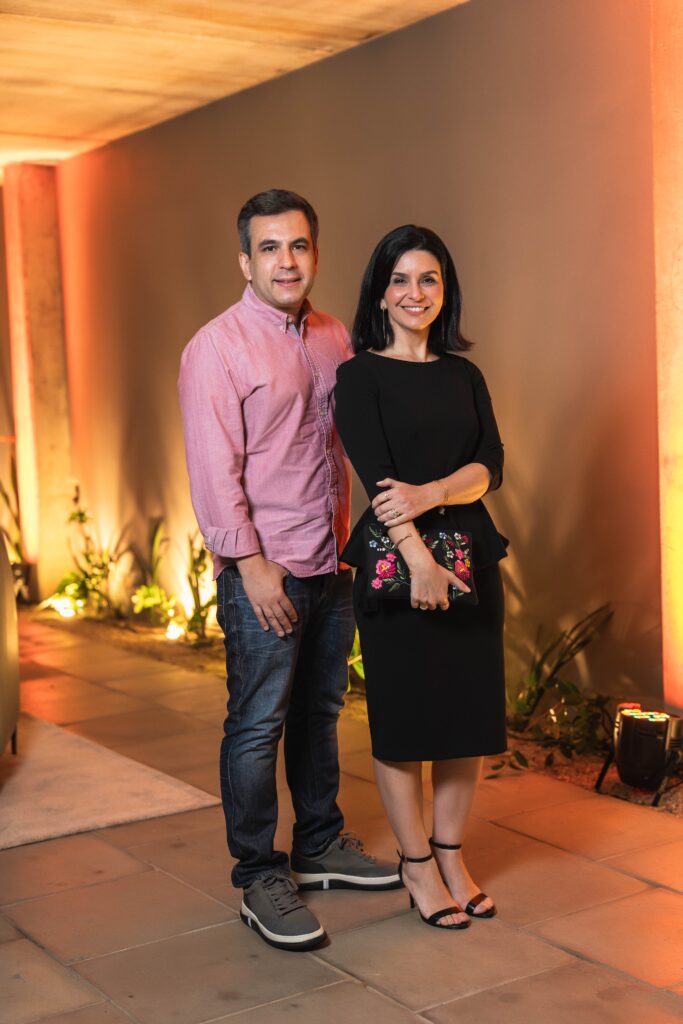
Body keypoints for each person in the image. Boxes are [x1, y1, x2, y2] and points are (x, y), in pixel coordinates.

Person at [178, 189, 399, 952]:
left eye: (298, 245)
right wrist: (249, 565)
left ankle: (318, 844)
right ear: (245, 261)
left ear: (314, 253)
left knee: (319, 712)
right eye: (269, 247)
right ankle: (257, 875)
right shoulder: (216, 348)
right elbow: (213, 469)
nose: (285, 261)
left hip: (329, 561)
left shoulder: (334, 335)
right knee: (256, 724)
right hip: (265, 570)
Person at [334, 224, 508, 930]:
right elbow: (377, 479)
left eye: (428, 279)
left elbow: (490, 465)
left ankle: (451, 857)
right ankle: (415, 866)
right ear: (380, 293)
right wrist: (418, 562)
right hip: (396, 567)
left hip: (471, 560)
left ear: (445, 290)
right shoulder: (358, 376)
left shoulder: (464, 376)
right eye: (400, 280)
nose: (415, 293)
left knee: (467, 719)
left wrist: (432, 491)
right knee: (404, 722)